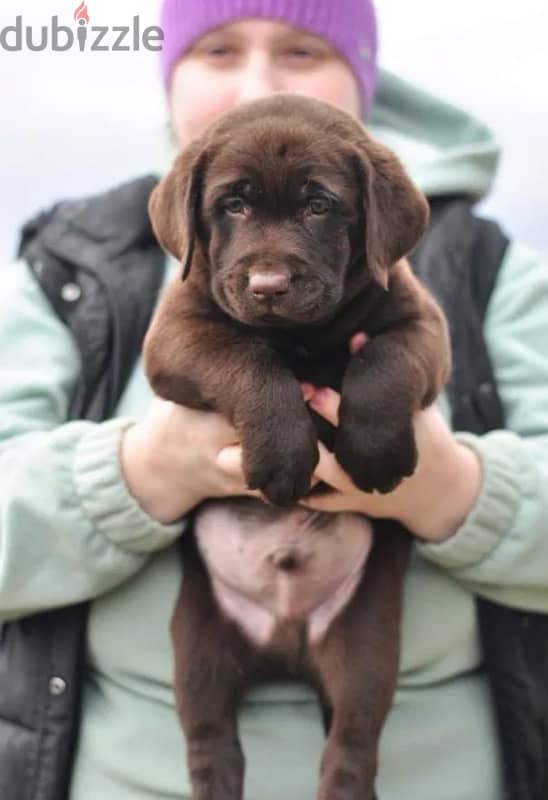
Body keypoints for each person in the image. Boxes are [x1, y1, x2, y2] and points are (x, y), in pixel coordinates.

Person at [0, 1, 547, 799]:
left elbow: (415, 334)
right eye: (218, 50)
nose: (267, 267)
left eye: (301, 50)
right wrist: (146, 471)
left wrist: (456, 489)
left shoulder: (491, 269)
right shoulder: (63, 270)